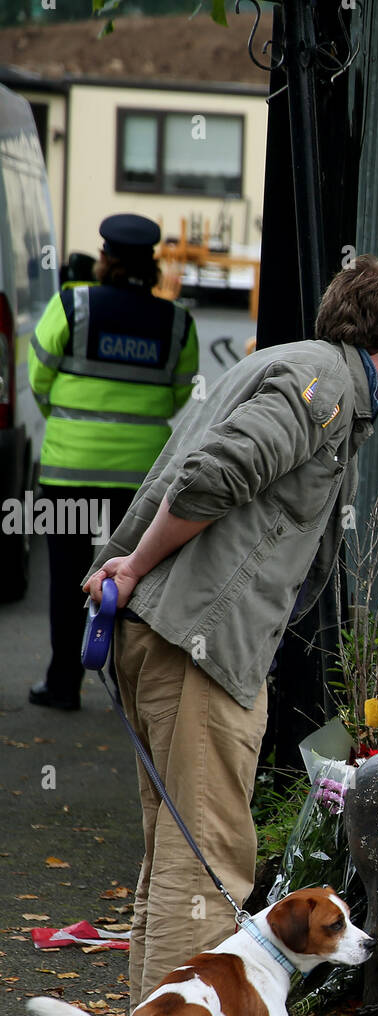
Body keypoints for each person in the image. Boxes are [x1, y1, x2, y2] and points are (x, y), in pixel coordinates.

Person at [84, 255, 378, 1016]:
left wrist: (129, 577)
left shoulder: (289, 368)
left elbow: (196, 468)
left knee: (169, 855)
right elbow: (213, 477)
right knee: (207, 858)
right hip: (197, 647)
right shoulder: (320, 388)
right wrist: (134, 567)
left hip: (171, 636)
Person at [28, 214, 198, 711]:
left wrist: (65, 418)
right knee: (135, 578)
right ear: (151, 265)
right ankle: (134, 694)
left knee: (66, 578)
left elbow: (39, 375)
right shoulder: (177, 322)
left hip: (69, 473)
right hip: (141, 480)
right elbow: (176, 397)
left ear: (104, 258)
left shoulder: (72, 304)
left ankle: (63, 685)